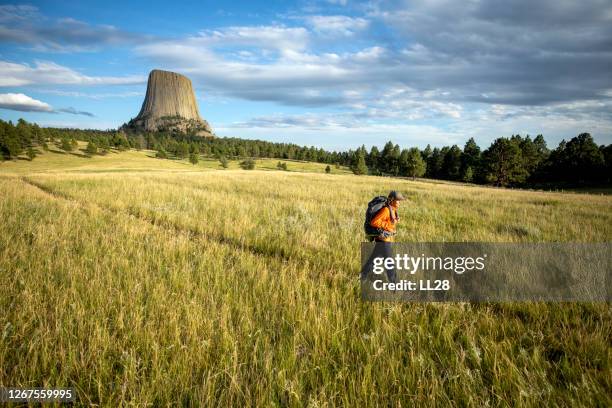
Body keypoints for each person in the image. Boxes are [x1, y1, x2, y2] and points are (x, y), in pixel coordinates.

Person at [360, 190, 406, 282]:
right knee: (389, 262)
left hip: (386, 239)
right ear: (392, 200)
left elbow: (389, 222)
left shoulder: (393, 209)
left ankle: (363, 275)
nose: (399, 202)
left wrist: (394, 221)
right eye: (398, 200)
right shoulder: (386, 210)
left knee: (374, 259)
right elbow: (374, 222)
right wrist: (388, 225)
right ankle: (394, 283)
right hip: (384, 240)